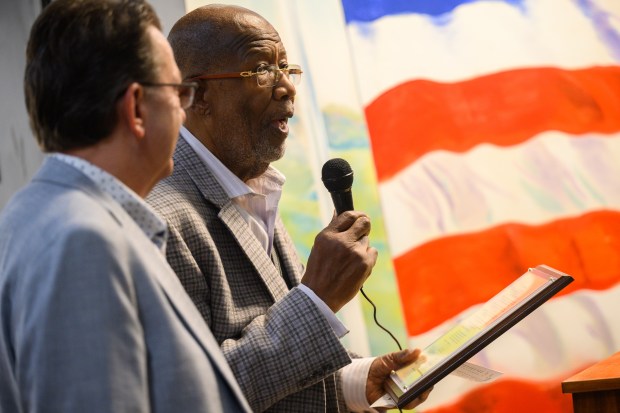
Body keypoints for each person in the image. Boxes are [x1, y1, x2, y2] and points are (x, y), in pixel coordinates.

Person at [146, 4, 431, 412]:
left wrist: (356, 381)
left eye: (286, 68)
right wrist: (316, 299)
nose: (287, 87)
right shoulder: (160, 218)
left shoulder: (252, 186)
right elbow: (190, 397)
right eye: (261, 70)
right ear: (198, 95)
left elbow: (273, 362)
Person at [0, 0, 252, 412]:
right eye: (178, 93)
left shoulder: (43, 213)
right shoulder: (83, 240)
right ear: (136, 108)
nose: (184, 113)